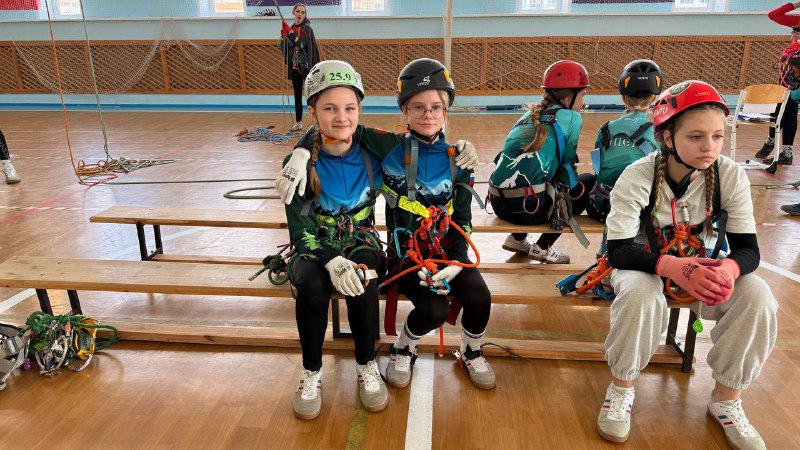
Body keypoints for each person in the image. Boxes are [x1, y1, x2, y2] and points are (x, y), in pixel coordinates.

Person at [278, 59, 493, 390]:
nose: (428, 114)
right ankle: (314, 372)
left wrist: (465, 148)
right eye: (418, 107)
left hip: (407, 246)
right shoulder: (385, 148)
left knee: (477, 296)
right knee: (316, 288)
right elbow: (339, 128)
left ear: (446, 110)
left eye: (436, 107)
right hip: (383, 250)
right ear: (404, 110)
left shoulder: (450, 158)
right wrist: (301, 153)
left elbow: (461, 211)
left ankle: (464, 351)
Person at [597, 80, 777, 450]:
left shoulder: (729, 175)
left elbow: (748, 251)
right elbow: (618, 251)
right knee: (640, 295)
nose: (709, 147)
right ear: (667, 138)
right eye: (696, 137)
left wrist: (727, 271)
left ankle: (727, 400)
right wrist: (675, 267)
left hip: (702, 267)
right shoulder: (638, 175)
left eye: (717, 136)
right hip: (643, 266)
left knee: (758, 296)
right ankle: (622, 389)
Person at [282, 60, 387, 420]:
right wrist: (331, 259)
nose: (341, 117)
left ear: (359, 111)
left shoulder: (373, 152)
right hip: (314, 244)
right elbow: (300, 230)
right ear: (313, 113)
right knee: (312, 287)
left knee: (364, 278)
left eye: (349, 108)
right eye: (329, 109)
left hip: (361, 240)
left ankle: (366, 364)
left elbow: (421, 148)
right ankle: (311, 371)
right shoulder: (298, 165)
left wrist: (458, 152)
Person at [488, 60, 595, 264]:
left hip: (499, 204)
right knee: (586, 181)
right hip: (529, 210)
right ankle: (543, 247)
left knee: (536, 176)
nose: (583, 102)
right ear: (569, 97)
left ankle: (517, 239)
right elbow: (567, 168)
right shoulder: (572, 117)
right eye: (582, 95)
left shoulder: (528, 114)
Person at [586, 59, 663, 223]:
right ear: (653, 98)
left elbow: (598, 167)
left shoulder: (605, 129)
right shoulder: (658, 132)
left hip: (604, 208)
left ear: (623, 97)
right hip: (640, 210)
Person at [755, 1, 800, 165]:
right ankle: (777, 147)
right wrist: (795, 4)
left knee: (785, 110)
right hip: (789, 71)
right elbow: (773, 15)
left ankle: (776, 146)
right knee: (781, 110)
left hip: (797, 76)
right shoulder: (798, 20)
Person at [279, 3, 320, 133]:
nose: (300, 14)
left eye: (303, 12)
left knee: (310, 96)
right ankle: (298, 123)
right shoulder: (291, 28)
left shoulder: (307, 29)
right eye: (298, 11)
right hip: (295, 67)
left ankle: (316, 123)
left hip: (307, 67)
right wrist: (284, 37)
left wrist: (292, 36)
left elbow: (302, 44)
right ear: (294, 13)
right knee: (297, 95)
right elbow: (285, 48)